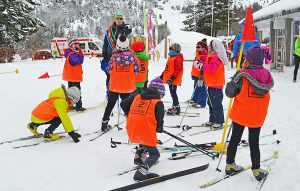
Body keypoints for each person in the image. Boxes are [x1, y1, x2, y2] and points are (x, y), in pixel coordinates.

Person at [225, 45, 274, 181]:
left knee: (235, 139)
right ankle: (257, 170)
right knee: (254, 142)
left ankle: (229, 165)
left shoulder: (241, 74)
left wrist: (232, 83)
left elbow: (229, 93)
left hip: (241, 113)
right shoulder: (267, 75)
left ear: (249, 59)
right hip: (257, 115)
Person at [121, 78, 165, 181]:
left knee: (143, 139)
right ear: (159, 93)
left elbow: (123, 104)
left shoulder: (137, 96)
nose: (162, 98)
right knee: (155, 154)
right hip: (144, 130)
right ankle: (140, 173)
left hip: (132, 127)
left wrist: (131, 115)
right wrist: (159, 128)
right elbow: (159, 124)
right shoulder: (158, 103)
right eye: (163, 95)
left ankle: (138, 158)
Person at [101, 34, 139, 132]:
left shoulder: (113, 57)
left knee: (110, 105)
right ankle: (132, 124)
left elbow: (108, 70)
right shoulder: (132, 57)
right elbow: (137, 71)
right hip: (127, 86)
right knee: (127, 106)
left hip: (115, 86)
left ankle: (104, 124)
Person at [194, 40, 227, 129]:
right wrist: (200, 61)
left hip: (216, 84)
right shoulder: (211, 56)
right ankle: (212, 119)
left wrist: (201, 66)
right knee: (210, 102)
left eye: (210, 46)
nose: (208, 47)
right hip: (211, 84)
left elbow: (212, 68)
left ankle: (219, 121)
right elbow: (206, 60)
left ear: (214, 48)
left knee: (216, 103)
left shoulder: (216, 58)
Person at [101, 12, 132, 97]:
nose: (119, 20)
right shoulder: (109, 31)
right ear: (114, 19)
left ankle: (123, 94)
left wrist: (127, 29)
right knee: (109, 77)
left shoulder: (125, 29)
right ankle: (109, 93)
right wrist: (104, 57)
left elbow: (129, 30)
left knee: (121, 76)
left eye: (121, 18)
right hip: (109, 57)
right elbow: (105, 44)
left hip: (121, 58)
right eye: (117, 18)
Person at [62, 36, 86, 112]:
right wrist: (81, 53)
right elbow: (80, 61)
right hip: (74, 77)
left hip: (71, 76)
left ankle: (70, 105)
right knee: (77, 91)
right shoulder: (72, 54)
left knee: (70, 91)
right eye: (75, 44)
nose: (77, 45)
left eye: (78, 44)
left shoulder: (71, 53)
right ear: (71, 45)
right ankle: (79, 107)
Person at [161, 43, 184, 115]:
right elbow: (167, 69)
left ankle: (176, 107)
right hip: (170, 79)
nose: (169, 49)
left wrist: (172, 78)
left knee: (173, 93)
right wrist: (162, 76)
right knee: (172, 93)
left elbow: (178, 69)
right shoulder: (171, 57)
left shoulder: (177, 58)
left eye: (171, 48)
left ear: (175, 50)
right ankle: (175, 106)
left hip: (173, 79)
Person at [190, 39, 208, 108]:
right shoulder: (198, 54)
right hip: (196, 75)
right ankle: (195, 99)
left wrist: (202, 74)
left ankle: (202, 102)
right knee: (196, 87)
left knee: (202, 88)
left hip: (201, 76)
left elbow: (203, 66)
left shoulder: (205, 56)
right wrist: (192, 73)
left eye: (198, 47)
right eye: (196, 47)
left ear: (203, 48)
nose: (196, 48)